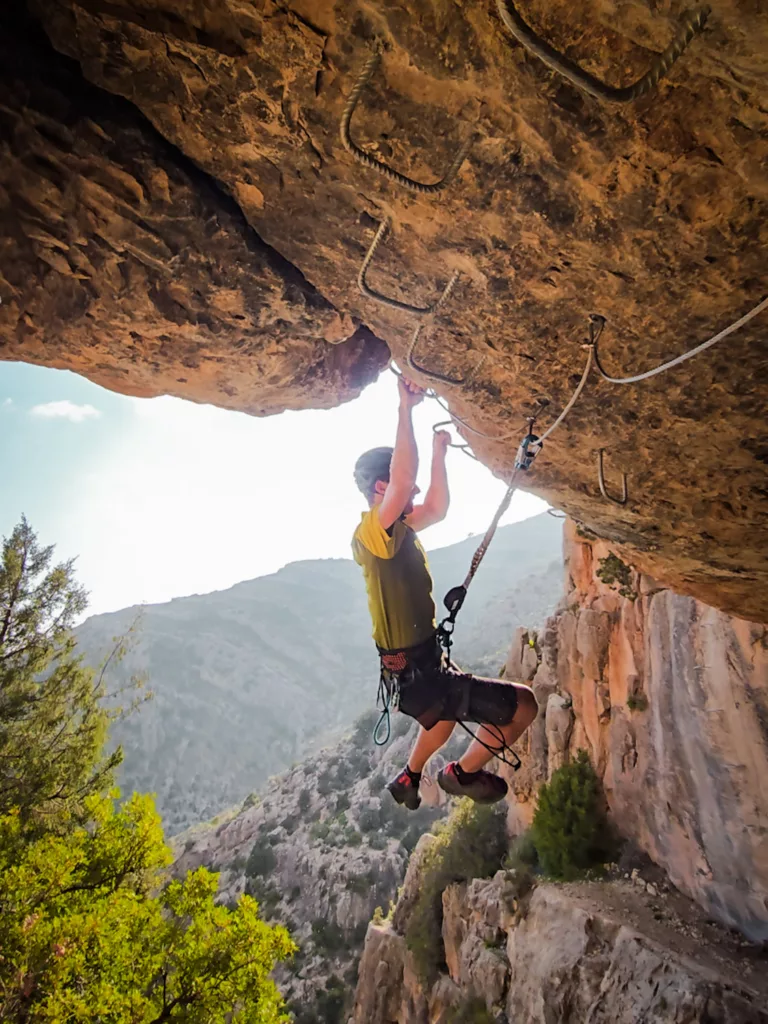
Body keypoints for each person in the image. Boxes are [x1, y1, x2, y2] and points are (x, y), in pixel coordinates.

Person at [351, 375, 538, 808]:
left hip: (417, 667)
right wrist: (405, 409)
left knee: (443, 718)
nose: (413, 491)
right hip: (420, 672)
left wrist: (439, 454)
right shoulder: (371, 533)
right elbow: (405, 481)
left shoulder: (395, 529)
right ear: (382, 489)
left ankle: (409, 775)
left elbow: (436, 508)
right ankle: (462, 773)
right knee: (523, 706)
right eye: (399, 487)